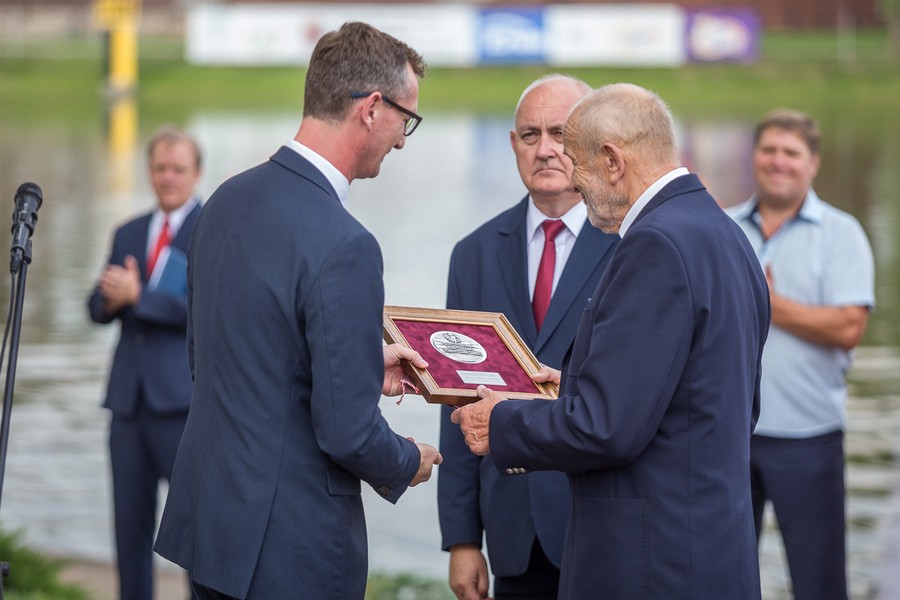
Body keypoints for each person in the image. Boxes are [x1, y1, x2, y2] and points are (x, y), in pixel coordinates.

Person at [153, 22, 442, 599]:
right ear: (370, 108)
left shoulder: (224, 202)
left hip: (215, 529)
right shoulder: (345, 242)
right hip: (293, 546)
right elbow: (347, 432)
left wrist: (356, 364)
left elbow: (218, 357)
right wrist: (407, 460)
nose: (404, 140)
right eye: (405, 119)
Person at [451, 83, 771, 599]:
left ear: (612, 160)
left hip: (650, 561)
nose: (574, 183)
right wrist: (570, 387)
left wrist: (502, 420)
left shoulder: (655, 243)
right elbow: (708, 399)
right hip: (709, 544)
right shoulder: (722, 231)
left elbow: (606, 428)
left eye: (577, 163)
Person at [438, 74, 618, 600]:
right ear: (513, 144)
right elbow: (455, 397)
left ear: (590, 143)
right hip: (512, 532)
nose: (545, 150)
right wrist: (463, 538)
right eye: (530, 134)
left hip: (602, 526)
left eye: (561, 134)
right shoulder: (472, 254)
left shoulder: (634, 248)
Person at [727, 109, 875, 600]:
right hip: (727, 438)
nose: (778, 161)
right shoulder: (721, 229)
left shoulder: (841, 233)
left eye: (791, 152)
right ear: (754, 157)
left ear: (813, 163)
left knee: (819, 584)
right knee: (718, 577)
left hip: (808, 438)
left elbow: (849, 327)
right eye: (768, 149)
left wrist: (771, 305)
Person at [87, 124, 203, 600]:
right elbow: (95, 309)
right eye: (159, 168)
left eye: (178, 169)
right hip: (127, 404)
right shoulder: (128, 231)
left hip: (181, 406)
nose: (167, 177)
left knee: (196, 531)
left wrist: (140, 297)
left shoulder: (211, 229)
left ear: (196, 173)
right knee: (128, 529)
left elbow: (204, 311)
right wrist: (112, 300)